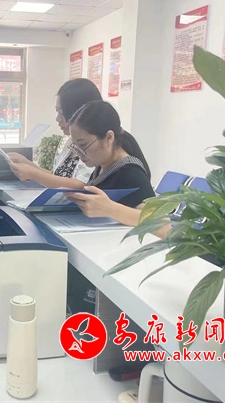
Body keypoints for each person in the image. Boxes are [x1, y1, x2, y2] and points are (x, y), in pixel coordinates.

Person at [62, 100, 169, 316]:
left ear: (109, 137)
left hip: (125, 273)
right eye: (75, 146)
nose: (80, 153)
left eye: (84, 145)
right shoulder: (103, 165)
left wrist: (109, 208)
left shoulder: (130, 172)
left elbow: (163, 226)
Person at [7, 78, 100, 188]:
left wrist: (33, 174)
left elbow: (81, 185)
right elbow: (56, 177)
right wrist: (26, 163)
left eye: (61, 112)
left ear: (77, 112)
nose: (57, 119)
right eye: (57, 112)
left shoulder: (95, 145)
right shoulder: (69, 141)